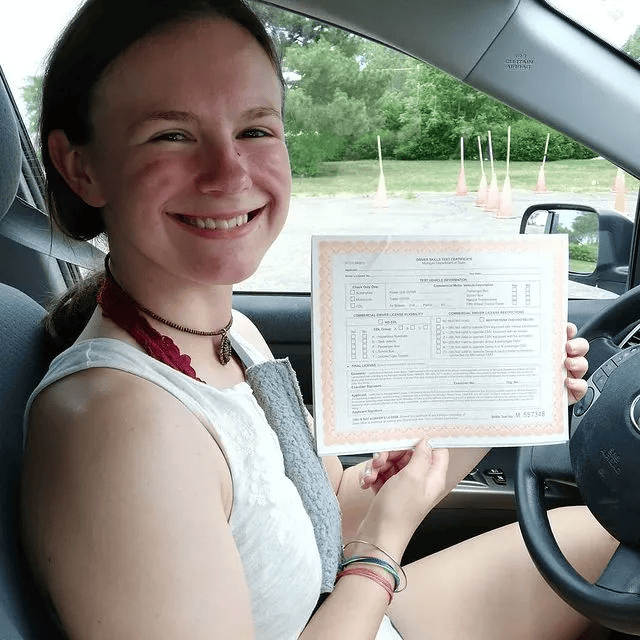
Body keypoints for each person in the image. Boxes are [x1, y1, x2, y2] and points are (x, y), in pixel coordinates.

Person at [19, 1, 617, 638]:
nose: (229, 172)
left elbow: (325, 508)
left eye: (255, 130)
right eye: (172, 134)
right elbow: (365, 537)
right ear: (80, 166)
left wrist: (512, 390)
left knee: (618, 536)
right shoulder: (121, 432)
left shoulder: (232, 336)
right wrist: (385, 545)